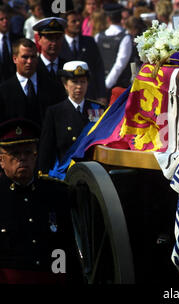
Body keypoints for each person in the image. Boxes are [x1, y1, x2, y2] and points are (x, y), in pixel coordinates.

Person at [0, 118, 82, 284]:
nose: (22, 159)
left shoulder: (57, 193)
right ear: (1, 160)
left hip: (51, 277)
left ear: (36, 156)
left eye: (28, 152)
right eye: (15, 154)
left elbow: (67, 247)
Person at [38, 61, 105, 174]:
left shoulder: (97, 109)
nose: (79, 86)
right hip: (65, 172)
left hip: (92, 172)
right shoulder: (55, 112)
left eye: (83, 82)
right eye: (74, 82)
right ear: (65, 84)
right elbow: (46, 148)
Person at [0, 38, 65, 126]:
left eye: (33, 57)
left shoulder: (52, 87)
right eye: (25, 57)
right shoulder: (4, 91)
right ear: (15, 59)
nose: (29, 62)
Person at [60, 10, 107, 105]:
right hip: (65, 97)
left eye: (79, 21)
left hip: (89, 95)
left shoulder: (89, 42)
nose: (78, 24)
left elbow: (98, 69)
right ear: (65, 24)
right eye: (73, 21)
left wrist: (101, 95)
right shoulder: (59, 43)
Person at [95, 3, 132, 92]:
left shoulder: (98, 36)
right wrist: (107, 84)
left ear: (108, 19)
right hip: (116, 86)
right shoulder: (126, 38)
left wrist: (104, 84)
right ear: (121, 19)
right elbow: (120, 64)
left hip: (103, 85)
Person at [32, 17, 67, 95]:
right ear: (39, 39)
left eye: (57, 38)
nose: (54, 43)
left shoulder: (66, 67)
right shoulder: (32, 67)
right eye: (50, 38)